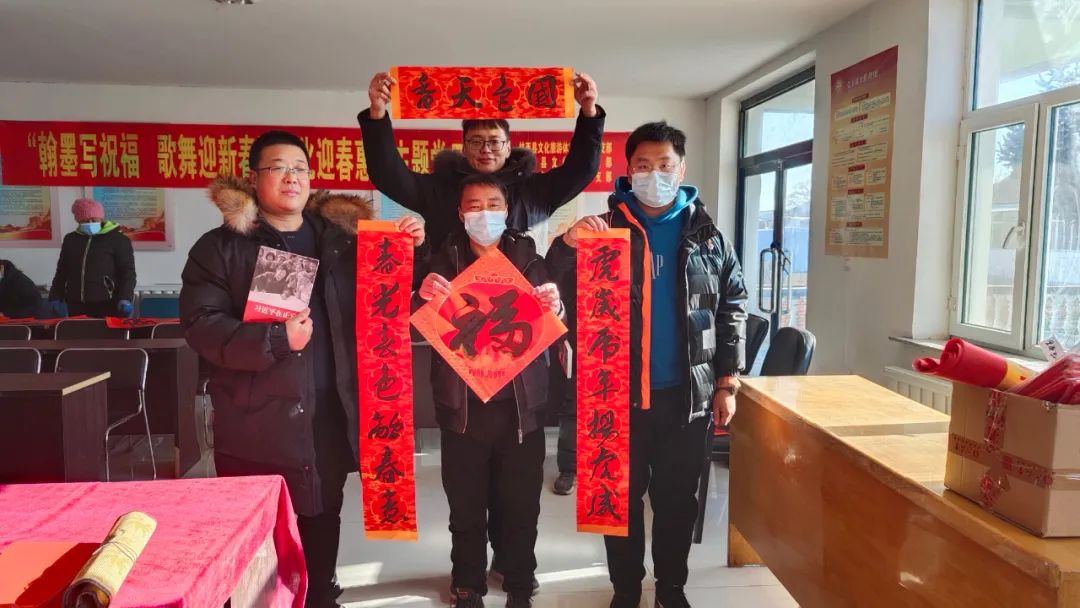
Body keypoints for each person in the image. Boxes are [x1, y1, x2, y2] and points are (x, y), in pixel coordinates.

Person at [179, 130, 425, 608]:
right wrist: (275, 339)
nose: (291, 177)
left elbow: (388, 303)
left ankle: (319, 593)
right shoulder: (221, 247)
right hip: (255, 418)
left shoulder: (343, 241)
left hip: (330, 412)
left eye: (299, 168)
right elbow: (201, 326)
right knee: (259, 528)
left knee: (323, 511)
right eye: (278, 167)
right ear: (253, 178)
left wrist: (410, 249)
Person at [547, 121, 748, 608]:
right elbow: (549, 290)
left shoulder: (708, 237)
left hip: (686, 397)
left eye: (664, 165)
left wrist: (727, 381)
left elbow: (732, 308)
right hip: (613, 397)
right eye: (643, 165)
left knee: (677, 501)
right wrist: (566, 246)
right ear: (627, 169)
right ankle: (626, 589)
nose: (653, 174)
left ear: (682, 169)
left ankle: (672, 588)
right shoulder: (601, 230)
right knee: (617, 499)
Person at [415, 174, 563, 608]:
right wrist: (419, 295)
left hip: (521, 408)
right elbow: (412, 319)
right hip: (462, 408)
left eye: (493, 204)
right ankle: (467, 583)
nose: (484, 214)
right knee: (465, 506)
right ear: (460, 214)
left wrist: (555, 302)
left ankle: (519, 580)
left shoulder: (530, 260)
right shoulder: (440, 262)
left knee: (521, 505)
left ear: (507, 210)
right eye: (474, 206)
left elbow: (556, 316)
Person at [359, 70, 605, 251]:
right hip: (449, 294)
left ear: (508, 148)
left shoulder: (535, 191)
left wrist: (589, 113)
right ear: (464, 148)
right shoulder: (439, 188)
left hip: (522, 293)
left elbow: (582, 169)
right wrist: (377, 114)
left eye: (495, 142)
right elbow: (388, 175)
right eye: (476, 142)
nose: (486, 150)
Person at [47, 198, 136, 318]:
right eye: (85, 221)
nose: (90, 223)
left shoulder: (118, 240)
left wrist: (125, 297)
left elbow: (127, 272)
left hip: (107, 304)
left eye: (94, 220)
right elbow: (61, 271)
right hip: (75, 304)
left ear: (101, 219)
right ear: (78, 221)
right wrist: (55, 296)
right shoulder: (71, 239)